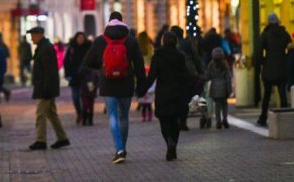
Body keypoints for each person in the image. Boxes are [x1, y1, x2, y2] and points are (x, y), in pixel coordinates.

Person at [81, 11, 146, 164]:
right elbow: (139, 64)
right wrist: (141, 84)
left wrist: (102, 66)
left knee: (112, 116)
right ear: (122, 22)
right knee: (124, 116)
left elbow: (87, 61)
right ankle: (122, 147)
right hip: (126, 82)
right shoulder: (130, 40)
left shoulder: (100, 40)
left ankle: (119, 149)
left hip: (108, 83)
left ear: (109, 22)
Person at [145, 31, 187, 162]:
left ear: (163, 41)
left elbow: (152, 76)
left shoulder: (157, 56)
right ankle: (173, 143)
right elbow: (184, 74)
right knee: (175, 121)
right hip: (177, 92)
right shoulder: (180, 56)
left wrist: (142, 88)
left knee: (164, 121)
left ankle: (168, 140)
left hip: (163, 93)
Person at [27, 26, 70, 151]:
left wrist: (46, 89)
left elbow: (49, 72)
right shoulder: (43, 47)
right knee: (51, 113)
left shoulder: (45, 48)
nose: (31, 38)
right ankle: (62, 138)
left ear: (39, 35)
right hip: (46, 87)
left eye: (33, 35)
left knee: (40, 114)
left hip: (46, 88)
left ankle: (41, 140)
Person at [256, 13, 291, 127]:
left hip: (269, 67)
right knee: (282, 93)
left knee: (266, 95)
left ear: (268, 22)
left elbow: (259, 51)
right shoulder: (284, 33)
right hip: (282, 66)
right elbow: (290, 47)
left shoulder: (265, 34)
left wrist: (261, 63)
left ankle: (263, 117)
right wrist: (286, 59)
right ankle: (285, 117)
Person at [170, 26, 203, 131]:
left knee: (174, 99)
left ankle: (175, 121)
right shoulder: (187, 44)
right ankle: (183, 122)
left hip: (172, 75)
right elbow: (195, 58)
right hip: (187, 75)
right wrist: (200, 71)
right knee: (185, 99)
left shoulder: (169, 45)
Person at [63, 31, 92, 124]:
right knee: (75, 98)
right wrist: (67, 75)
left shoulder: (88, 48)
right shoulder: (71, 49)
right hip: (74, 77)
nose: (80, 39)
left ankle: (86, 114)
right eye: (79, 38)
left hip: (87, 78)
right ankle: (79, 112)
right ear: (76, 39)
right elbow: (66, 62)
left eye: (82, 38)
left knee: (87, 98)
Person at [205, 47, 232, 129]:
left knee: (217, 105)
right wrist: (229, 89)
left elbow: (208, 77)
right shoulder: (225, 66)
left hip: (215, 88)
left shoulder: (210, 65)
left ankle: (218, 121)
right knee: (224, 104)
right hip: (224, 87)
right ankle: (225, 119)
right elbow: (228, 78)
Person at [0, 32, 11, 102]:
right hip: (1, 66)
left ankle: (3, 94)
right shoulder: (3, 44)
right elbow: (8, 55)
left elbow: (7, 54)